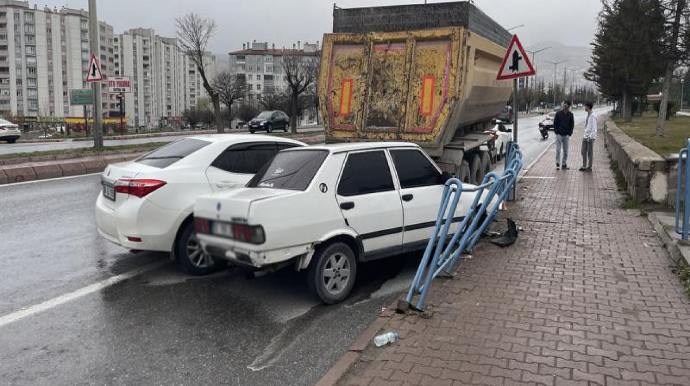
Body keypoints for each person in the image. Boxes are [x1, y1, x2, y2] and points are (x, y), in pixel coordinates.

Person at [553, 100, 574, 170]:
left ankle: (564, 163)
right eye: (564, 104)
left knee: (566, 151)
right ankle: (557, 162)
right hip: (559, 134)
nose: (565, 106)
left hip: (566, 135)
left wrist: (569, 133)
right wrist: (556, 132)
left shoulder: (571, 115)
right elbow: (555, 123)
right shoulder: (558, 114)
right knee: (558, 150)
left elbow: (572, 125)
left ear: (568, 106)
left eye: (566, 105)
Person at [580, 102, 598, 172]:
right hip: (585, 136)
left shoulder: (593, 116)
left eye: (585, 106)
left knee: (590, 152)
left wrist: (591, 137)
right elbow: (587, 126)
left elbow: (594, 128)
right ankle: (584, 166)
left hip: (590, 137)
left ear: (588, 107)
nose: (584, 108)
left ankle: (589, 167)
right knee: (583, 151)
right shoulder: (588, 115)